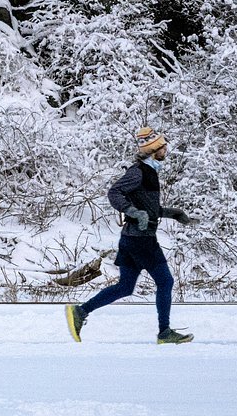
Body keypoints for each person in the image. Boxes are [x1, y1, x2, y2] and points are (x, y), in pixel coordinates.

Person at [65, 126, 195, 344]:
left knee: (125, 287)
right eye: (163, 146)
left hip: (131, 239)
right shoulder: (138, 172)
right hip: (141, 240)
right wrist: (132, 211)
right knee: (166, 282)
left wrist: (172, 213)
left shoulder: (150, 172)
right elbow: (114, 193)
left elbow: (147, 208)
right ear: (154, 149)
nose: (166, 149)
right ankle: (164, 333)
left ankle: (80, 312)